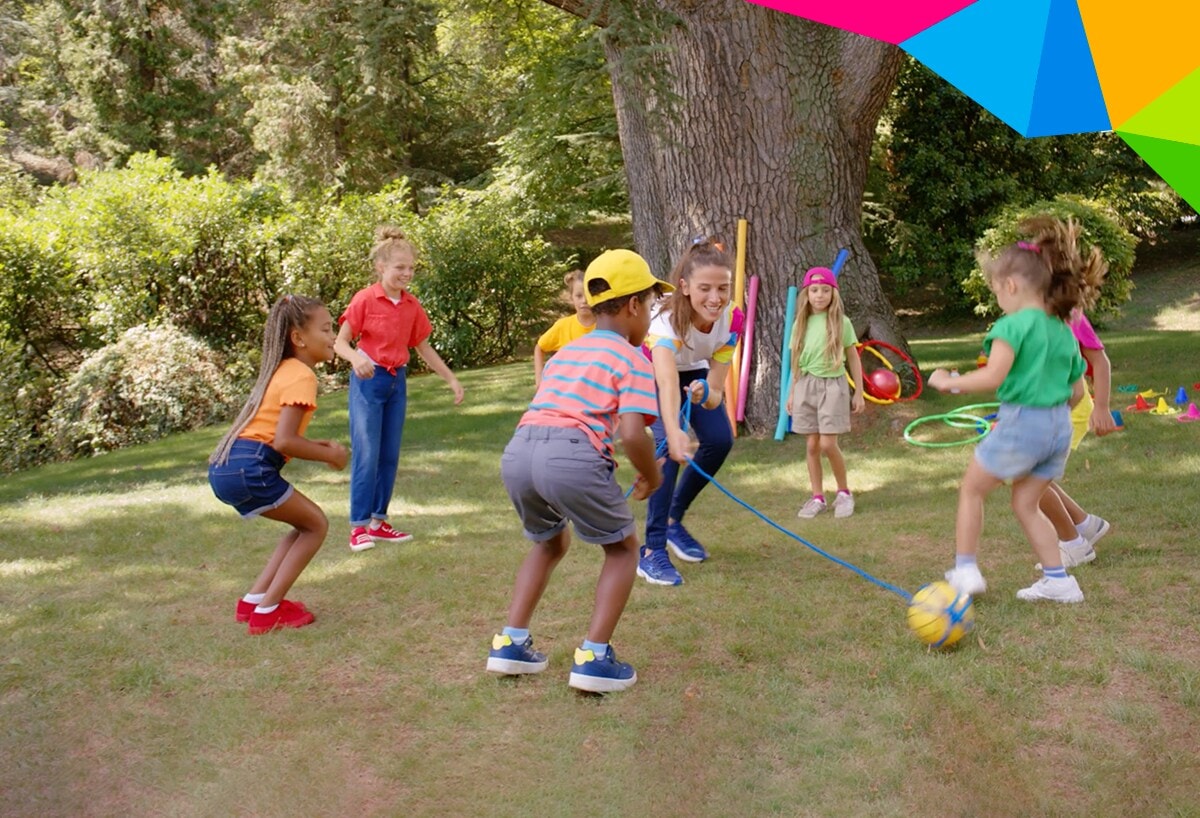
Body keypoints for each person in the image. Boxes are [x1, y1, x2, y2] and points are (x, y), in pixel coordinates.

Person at [486, 249, 667, 693]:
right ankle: (594, 657)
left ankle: (509, 644)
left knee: (549, 542)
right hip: (569, 455)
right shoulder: (633, 358)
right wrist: (652, 475)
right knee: (624, 549)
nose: (650, 316)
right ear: (633, 307)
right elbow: (632, 434)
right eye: (651, 305)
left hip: (519, 452)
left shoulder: (566, 352)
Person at [930, 215, 1105, 603]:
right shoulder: (1062, 329)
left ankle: (966, 569)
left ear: (1010, 285)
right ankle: (1060, 581)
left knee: (972, 490)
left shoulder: (1011, 327)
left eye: (996, 292)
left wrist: (948, 382)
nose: (999, 300)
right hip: (1058, 428)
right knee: (1026, 504)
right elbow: (1077, 392)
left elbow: (993, 377)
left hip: (1025, 422)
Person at [208, 295, 348, 635]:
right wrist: (330, 455)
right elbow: (284, 441)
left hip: (229, 467)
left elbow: (275, 435)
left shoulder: (282, 371)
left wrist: (316, 444)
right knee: (316, 525)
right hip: (251, 467)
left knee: (302, 525)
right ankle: (268, 612)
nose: (335, 336)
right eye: (327, 329)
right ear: (298, 338)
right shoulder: (302, 375)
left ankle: (253, 601)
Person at [334, 226, 464, 553]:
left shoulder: (411, 306)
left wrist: (450, 378)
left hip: (396, 382)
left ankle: (378, 523)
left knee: (389, 455)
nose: (406, 273)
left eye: (410, 268)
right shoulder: (365, 299)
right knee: (367, 454)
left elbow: (423, 347)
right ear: (381, 267)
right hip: (368, 382)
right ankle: (358, 527)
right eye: (399, 267)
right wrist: (354, 359)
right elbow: (340, 342)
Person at [636, 237, 735, 587]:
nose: (715, 298)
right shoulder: (665, 321)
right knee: (668, 451)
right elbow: (665, 381)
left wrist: (705, 390)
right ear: (684, 287)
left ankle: (674, 521)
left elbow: (716, 392)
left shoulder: (731, 319)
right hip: (651, 369)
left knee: (720, 441)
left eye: (723, 288)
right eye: (705, 288)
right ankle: (651, 550)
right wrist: (675, 431)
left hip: (691, 369)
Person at [1038, 308, 1116, 567]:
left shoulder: (1071, 315)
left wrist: (1103, 407)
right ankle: (1085, 525)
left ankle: (1073, 544)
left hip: (1070, 409)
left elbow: (1100, 361)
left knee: (1030, 478)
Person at [786, 266, 866, 519]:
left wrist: (859, 392)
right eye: (814, 290)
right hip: (805, 385)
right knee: (811, 444)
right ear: (807, 294)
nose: (819, 295)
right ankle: (817, 496)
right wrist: (791, 393)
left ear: (833, 293)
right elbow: (795, 361)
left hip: (833, 385)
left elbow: (853, 358)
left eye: (824, 290)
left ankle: (843, 493)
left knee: (828, 443)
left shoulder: (842, 323)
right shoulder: (800, 323)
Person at [533, 269, 595, 389]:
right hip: (567, 392)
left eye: (589, 295)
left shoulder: (605, 326)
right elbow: (539, 348)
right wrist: (539, 380)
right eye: (579, 296)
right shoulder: (563, 326)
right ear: (572, 298)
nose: (584, 301)